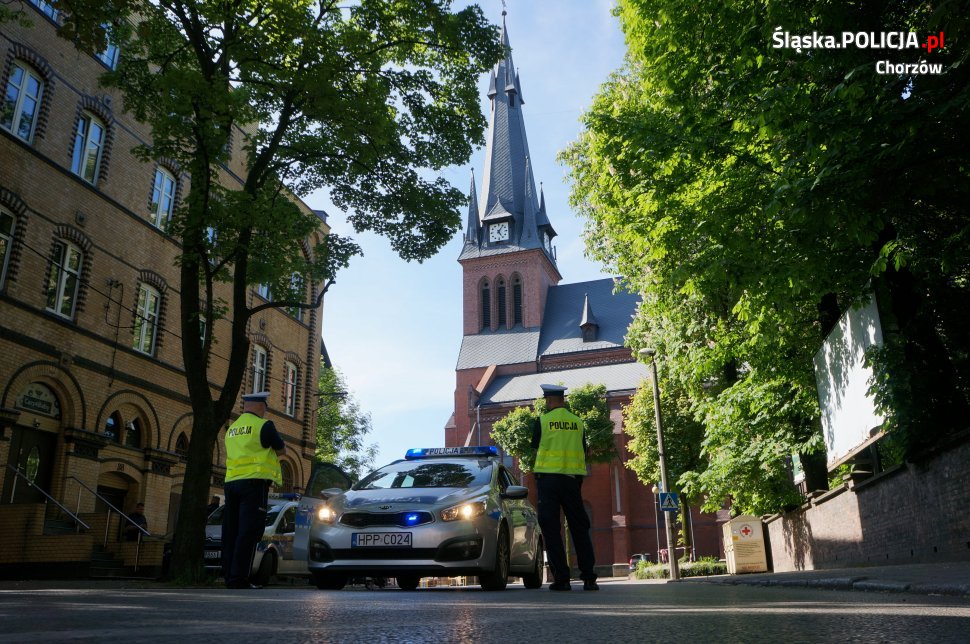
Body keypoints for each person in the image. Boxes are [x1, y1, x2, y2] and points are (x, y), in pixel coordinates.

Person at [531, 384, 598, 591]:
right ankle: (589, 578)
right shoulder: (578, 422)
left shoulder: (542, 421)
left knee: (551, 529)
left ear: (549, 401)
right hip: (572, 481)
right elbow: (585, 451)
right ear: (563, 400)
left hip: (548, 481)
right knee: (579, 527)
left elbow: (534, 451)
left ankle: (562, 578)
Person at [222, 391, 284, 589]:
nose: (265, 411)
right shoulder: (263, 426)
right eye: (265, 407)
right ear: (260, 406)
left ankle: (229, 576)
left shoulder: (231, 429)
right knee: (249, 532)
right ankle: (239, 579)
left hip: (231, 483)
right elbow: (281, 449)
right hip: (254, 485)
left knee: (231, 531)